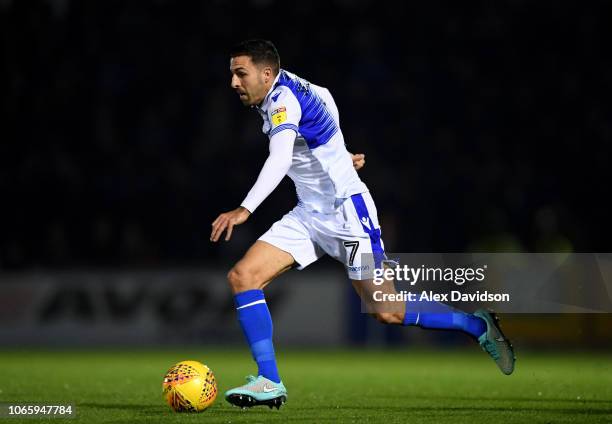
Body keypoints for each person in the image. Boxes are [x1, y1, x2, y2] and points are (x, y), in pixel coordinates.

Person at [210, 39, 515, 410]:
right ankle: (270, 381)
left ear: (267, 74)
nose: (234, 83)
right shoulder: (296, 87)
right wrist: (338, 155)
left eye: (240, 74)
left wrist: (245, 209)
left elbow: (280, 157)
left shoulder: (282, 100)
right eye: (232, 74)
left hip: (349, 217)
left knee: (386, 310)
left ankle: (476, 326)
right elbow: (327, 99)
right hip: (308, 215)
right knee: (243, 276)